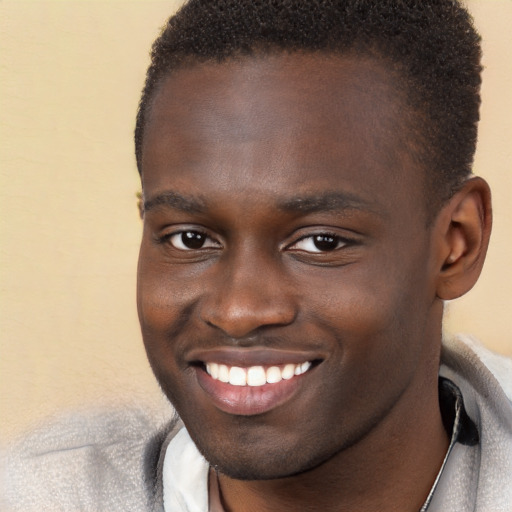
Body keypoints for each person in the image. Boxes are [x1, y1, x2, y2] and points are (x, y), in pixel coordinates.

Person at [3, 1, 512, 511]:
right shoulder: (42, 495)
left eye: (321, 242)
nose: (238, 312)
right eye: (190, 239)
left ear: (456, 245)